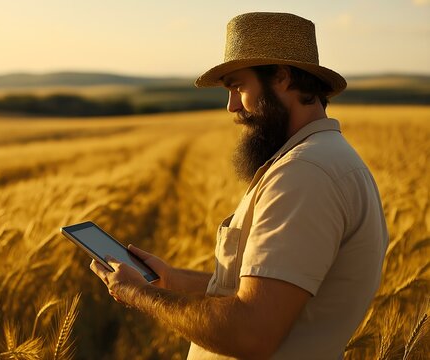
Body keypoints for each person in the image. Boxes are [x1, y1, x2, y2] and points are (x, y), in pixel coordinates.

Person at [89, 12, 388, 359]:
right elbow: (273, 290)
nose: (231, 106)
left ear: (281, 77)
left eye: (237, 86)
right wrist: (172, 280)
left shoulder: (304, 174)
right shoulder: (324, 160)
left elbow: (251, 333)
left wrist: (139, 294)